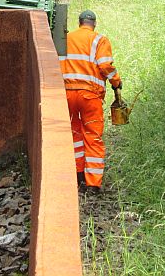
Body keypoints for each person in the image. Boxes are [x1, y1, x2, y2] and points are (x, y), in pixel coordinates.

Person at [59, 10, 122, 193]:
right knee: (93, 137)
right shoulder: (99, 40)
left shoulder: (66, 38)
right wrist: (116, 82)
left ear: (80, 23)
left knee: (75, 134)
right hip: (90, 96)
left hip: (68, 94)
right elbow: (105, 65)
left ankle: (78, 175)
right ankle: (92, 184)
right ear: (94, 24)